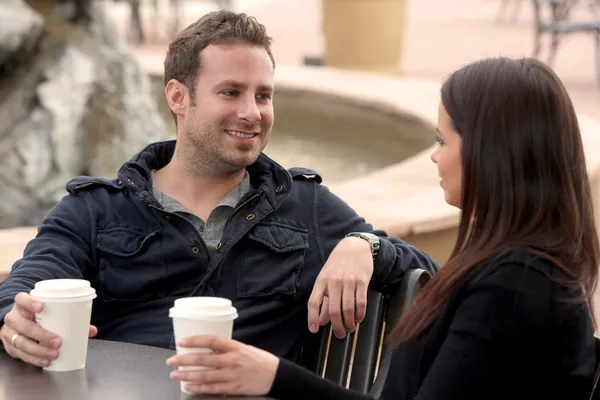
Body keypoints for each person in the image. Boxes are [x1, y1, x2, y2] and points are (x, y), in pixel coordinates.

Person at [0, 11, 438, 370]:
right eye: (231, 92)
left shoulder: (305, 206)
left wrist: (365, 245)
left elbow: (430, 278)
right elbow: (23, 287)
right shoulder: (95, 210)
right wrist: (15, 321)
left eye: (263, 96)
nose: (252, 113)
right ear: (178, 97)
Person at [166, 57, 600, 400]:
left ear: (492, 154)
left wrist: (274, 377)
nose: (434, 157)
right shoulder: (523, 268)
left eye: (443, 141)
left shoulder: (516, 283)